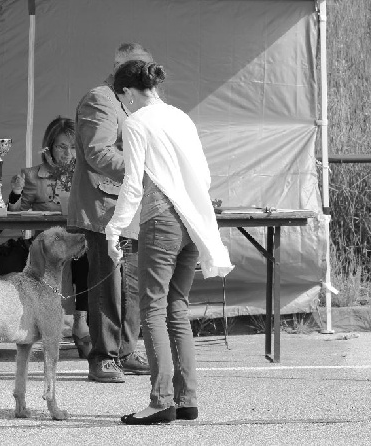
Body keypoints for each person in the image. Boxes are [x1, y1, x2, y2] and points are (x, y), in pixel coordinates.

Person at [105, 60, 234, 424]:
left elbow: (132, 185)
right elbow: (204, 174)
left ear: (129, 91)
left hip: (161, 221)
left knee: (153, 309)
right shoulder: (180, 116)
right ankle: (187, 398)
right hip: (194, 221)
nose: (122, 106)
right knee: (176, 306)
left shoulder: (136, 123)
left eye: (120, 98)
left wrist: (114, 229)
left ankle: (161, 401)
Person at [68, 43, 153, 382]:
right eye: (136, 67)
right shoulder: (100, 98)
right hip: (104, 207)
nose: (144, 75)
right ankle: (102, 357)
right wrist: (145, 172)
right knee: (107, 282)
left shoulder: (139, 102)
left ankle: (127, 351)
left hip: (132, 206)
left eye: (147, 68)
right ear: (119, 66)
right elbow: (97, 153)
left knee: (132, 283)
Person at [8, 116, 91, 359]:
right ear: (49, 148)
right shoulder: (32, 175)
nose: (68, 153)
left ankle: (81, 323)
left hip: (77, 239)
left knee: (86, 256)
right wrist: (15, 192)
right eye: (61, 146)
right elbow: (14, 211)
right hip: (47, 243)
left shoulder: (86, 174)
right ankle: (39, 325)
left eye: (74, 147)